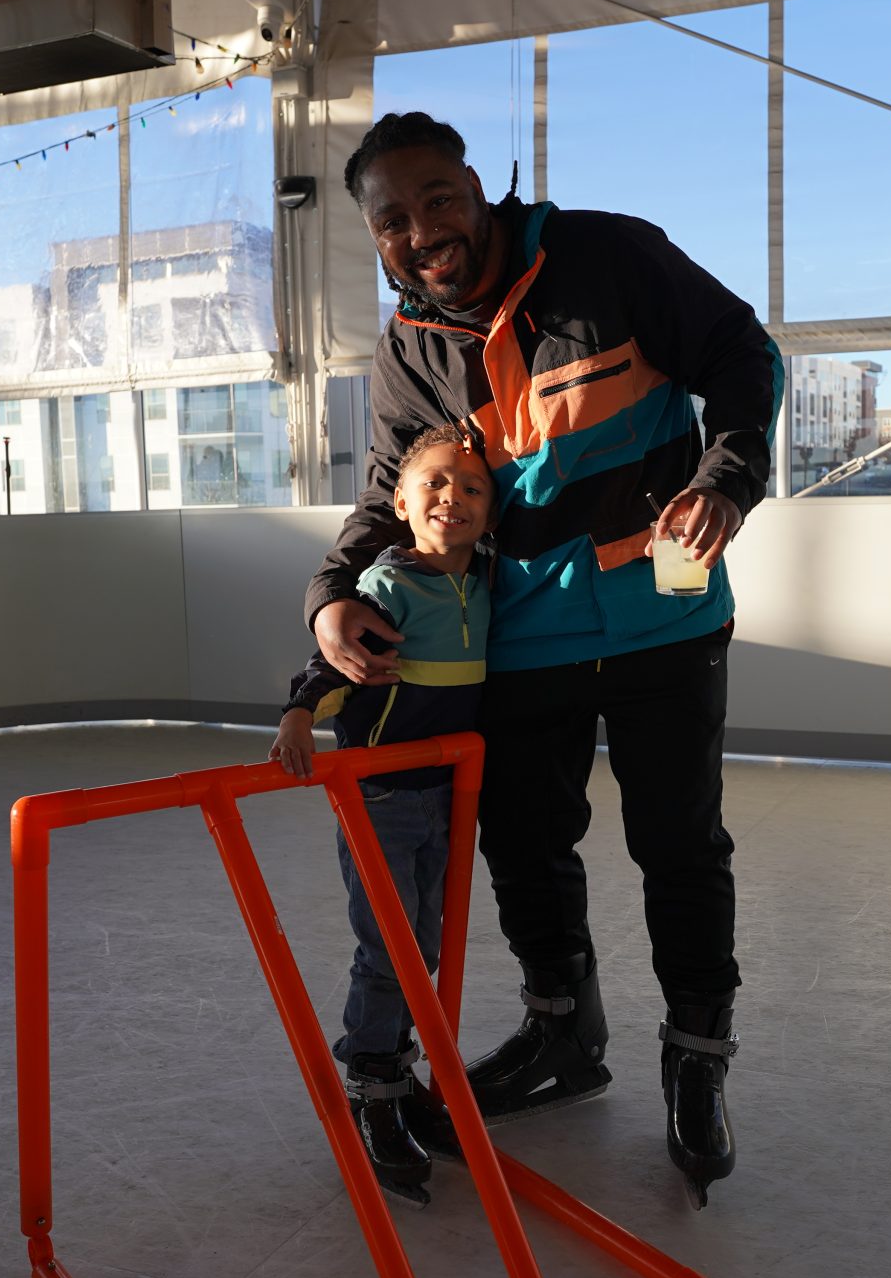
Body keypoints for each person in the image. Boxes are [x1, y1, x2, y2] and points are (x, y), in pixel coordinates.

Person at [309, 112, 778, 1208]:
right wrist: (330, 598)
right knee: (523, 846)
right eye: (392, 219)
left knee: (678, 845)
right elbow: (390, 500)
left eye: (436, 199)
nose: (422, 231)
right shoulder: (407, 349)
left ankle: (696, 1059)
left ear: (477, 187)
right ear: (375, 237)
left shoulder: (607, 256)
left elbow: (742, 354)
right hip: (516, 645)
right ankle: (563, 1031)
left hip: (666, 622)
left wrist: (727, 478)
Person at [273, 423, 494, 1207]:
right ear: (400, 503)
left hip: (448, 793)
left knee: (426, 937)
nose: (452, 498)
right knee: (390, 946)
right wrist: (301, 713)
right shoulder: (389, 583)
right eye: (434, 483)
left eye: (472, 488)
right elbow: (333, 661)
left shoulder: (489, 582)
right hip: (381, 795)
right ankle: (373, 1079)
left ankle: (396, 1065)